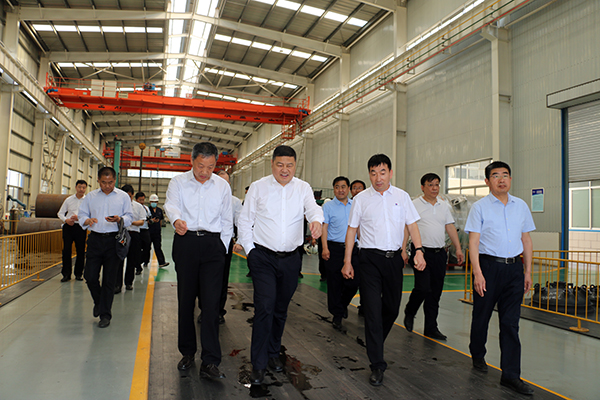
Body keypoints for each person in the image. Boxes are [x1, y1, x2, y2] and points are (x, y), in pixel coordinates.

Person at [238, 145, 323, 386]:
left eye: (289, 165)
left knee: (280, 308)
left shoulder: (303, 188)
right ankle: (258, 363)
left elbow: (313, 209)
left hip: (291, 259)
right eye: (280, 165)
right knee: (264, 307)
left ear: (295, 166)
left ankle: (274, 352)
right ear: (272, 164)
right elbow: (245, 220)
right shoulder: (258, 187)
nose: (285, 170)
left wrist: (316, 221)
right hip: (263, 257)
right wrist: (251, 251)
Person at [342, 154, 426, 386]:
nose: (378, 178)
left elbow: (412, 225)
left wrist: (418, 250)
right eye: (373, 173)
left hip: (394, 260)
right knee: (372, 311)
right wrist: (348, 261)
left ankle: (375, 340)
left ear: (390, 173)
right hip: (369, 260)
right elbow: (352, 230)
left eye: (382, 172)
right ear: (369, 174)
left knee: (391, 308)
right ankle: (377, 364)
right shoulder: (361, 199)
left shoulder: (402, 196)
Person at [464, 161, 535, 396]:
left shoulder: (521, 206)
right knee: (481, 316)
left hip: (514, 269)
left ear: (510, 179)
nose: (501, 179)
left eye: (505, 175)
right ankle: (477, 353)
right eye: (495, 175)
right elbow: (473, 242)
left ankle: (511, 375)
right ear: (487, 181)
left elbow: (526, 240)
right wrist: (478, 273)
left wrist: (527, 271)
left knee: (510, 323)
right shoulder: (480, 208)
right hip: (488, 268)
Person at [164, 142, 233, 380]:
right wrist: (176, 220)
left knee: (211, 305)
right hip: (187, 242)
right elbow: (171, 205)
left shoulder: (222, 186)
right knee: (186, 300)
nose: (205, 171)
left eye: (210, 167)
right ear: (192, 161)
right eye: (201, 166)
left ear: (215, 164)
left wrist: (222, 248)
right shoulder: (178, 182)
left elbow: (227, 219)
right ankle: (187, 352)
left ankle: (210, 361)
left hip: (213, 246)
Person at [403, 173, 465, 340]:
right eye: (430, 185)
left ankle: (431, 327)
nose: (434, 188)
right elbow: (407, 228)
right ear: (422, 187)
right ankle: (410, 311)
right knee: (423, 287)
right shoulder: (414, 205)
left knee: (435, 292)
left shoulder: (443, 206)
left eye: (437, 184)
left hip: (439, 254)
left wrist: (458, 249)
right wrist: (403, 250)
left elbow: (450, 227)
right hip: (421, 253)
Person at [78, 167, 133, 328]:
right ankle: (99, 301)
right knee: (90, 276)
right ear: (98, 180)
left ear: (115, 180)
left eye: (110, 182)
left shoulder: (123, 197)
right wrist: (86, 220)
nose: (107, 186)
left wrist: (119, 219)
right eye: (103, 182)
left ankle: (105, 315)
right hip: (95, 240)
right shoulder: (91, 197)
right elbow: (82, 214)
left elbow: (129, 217)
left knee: (109, 280)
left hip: (113, 241)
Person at [198, 170, 243, 324]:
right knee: (204, 278)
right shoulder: (205, 198)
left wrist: (240, 241)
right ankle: (204, 311)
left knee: (222, 278)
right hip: (207, 241)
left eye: (226, 182)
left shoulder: (235, 202)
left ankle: (219, 311)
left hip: (226, 242)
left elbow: (240, 221)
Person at [321, 176, 359, 331]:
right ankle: (337, 315)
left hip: (353, 249)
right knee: (335, 283)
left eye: (343, 187)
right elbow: (324, 228)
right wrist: (325, 248)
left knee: (353, 282)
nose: (340, 190)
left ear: (348, 189)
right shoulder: (328, 206)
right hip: (334, 249)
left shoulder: (355, 205)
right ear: (334, 189)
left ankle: (342, 305)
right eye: (337, 187)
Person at [114, 185, 145, 293]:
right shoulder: (117, 205)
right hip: (121, 234)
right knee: (119, 259)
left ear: (132, 195)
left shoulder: (138, 207)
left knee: (132, 260)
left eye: (130, 196)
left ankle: (129, 282)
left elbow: (142, 221)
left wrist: (130, 222)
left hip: (133, 234)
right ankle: (117, 285)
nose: (128, 198)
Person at [57, 179, 88, 282]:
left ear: (85, 189)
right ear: (76, 187)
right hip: (68, 227)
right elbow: (60, 213)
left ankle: (79, 274)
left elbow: (90, 215)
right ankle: (66, 274)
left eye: (83, 187)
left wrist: (80, 218)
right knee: (66, 251)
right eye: (79, 187)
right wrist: (66, 220)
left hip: (81, 227)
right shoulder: (69, 200)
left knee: (81, 251)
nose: (81, 189)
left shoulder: (88, 201)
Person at [148, 194, 169, 268]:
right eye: (152, 201)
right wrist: (152, 221)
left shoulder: (159, 210)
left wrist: (159, 229)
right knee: (147, 247)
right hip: (149, 232)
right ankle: (145, 261)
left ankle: (161, 262)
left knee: (158, 247)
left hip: (157, 233)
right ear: (150, 202)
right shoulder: (147, 210)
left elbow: (160, 221)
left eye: (155, 201)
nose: (154, 203)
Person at [136, 192, 152, 269]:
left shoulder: (146, 208)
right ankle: (138, 265)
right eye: (140, 200)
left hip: (145, 229)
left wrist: (151, 221)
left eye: (143, 200)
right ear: (136, 200)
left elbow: (149, 218)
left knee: (147, 246)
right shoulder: (134, 208)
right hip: (137, 230)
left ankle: (145, 260)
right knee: (137, 248)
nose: (142, 202)